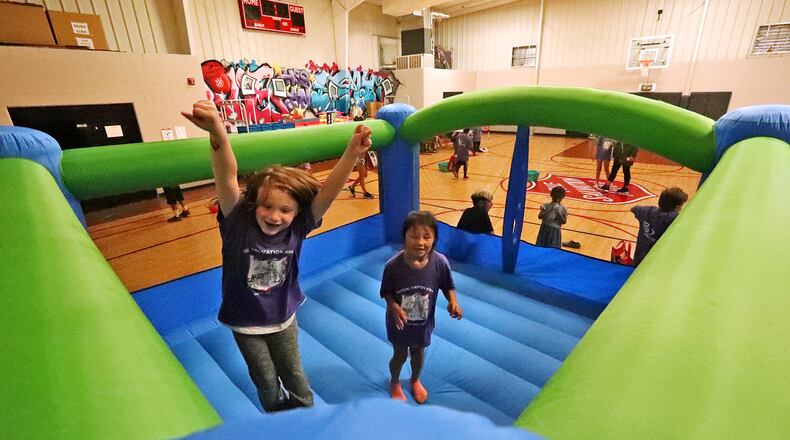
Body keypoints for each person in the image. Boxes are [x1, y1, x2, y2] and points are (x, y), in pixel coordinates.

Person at [181, 100, 373, 412]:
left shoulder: (298, 227)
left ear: (297, 212)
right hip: (246, 325)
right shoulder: (237, 225)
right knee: (266, 381)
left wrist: (353, 152)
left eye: (285, 209)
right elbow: (226, 175)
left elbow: (329, 191)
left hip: (283, 319)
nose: (274, 216)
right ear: (252, 203)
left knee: (295, 376)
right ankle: (278, 420)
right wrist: (217, 130)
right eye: (267, 206)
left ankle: (308, 420)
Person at [381, 211, 463, 404]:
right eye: (414, 236)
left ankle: (415, 380)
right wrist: (394, 307)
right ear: (404, 237)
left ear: (434, 239)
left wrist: (453, 301)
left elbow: (448, 285)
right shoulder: (393, 266)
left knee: (418, 355)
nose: (420, 242)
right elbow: (386, 292)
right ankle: (394, 382)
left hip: (423, 324)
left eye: (427, 237)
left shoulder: (440, 262)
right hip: (400, 324)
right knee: (400, 355)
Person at [631, 187, 688, 266]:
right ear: (677, 207)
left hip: (639, 256)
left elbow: (634, 208)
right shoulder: (673, 217)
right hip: (656, 259)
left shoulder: (646, 211)